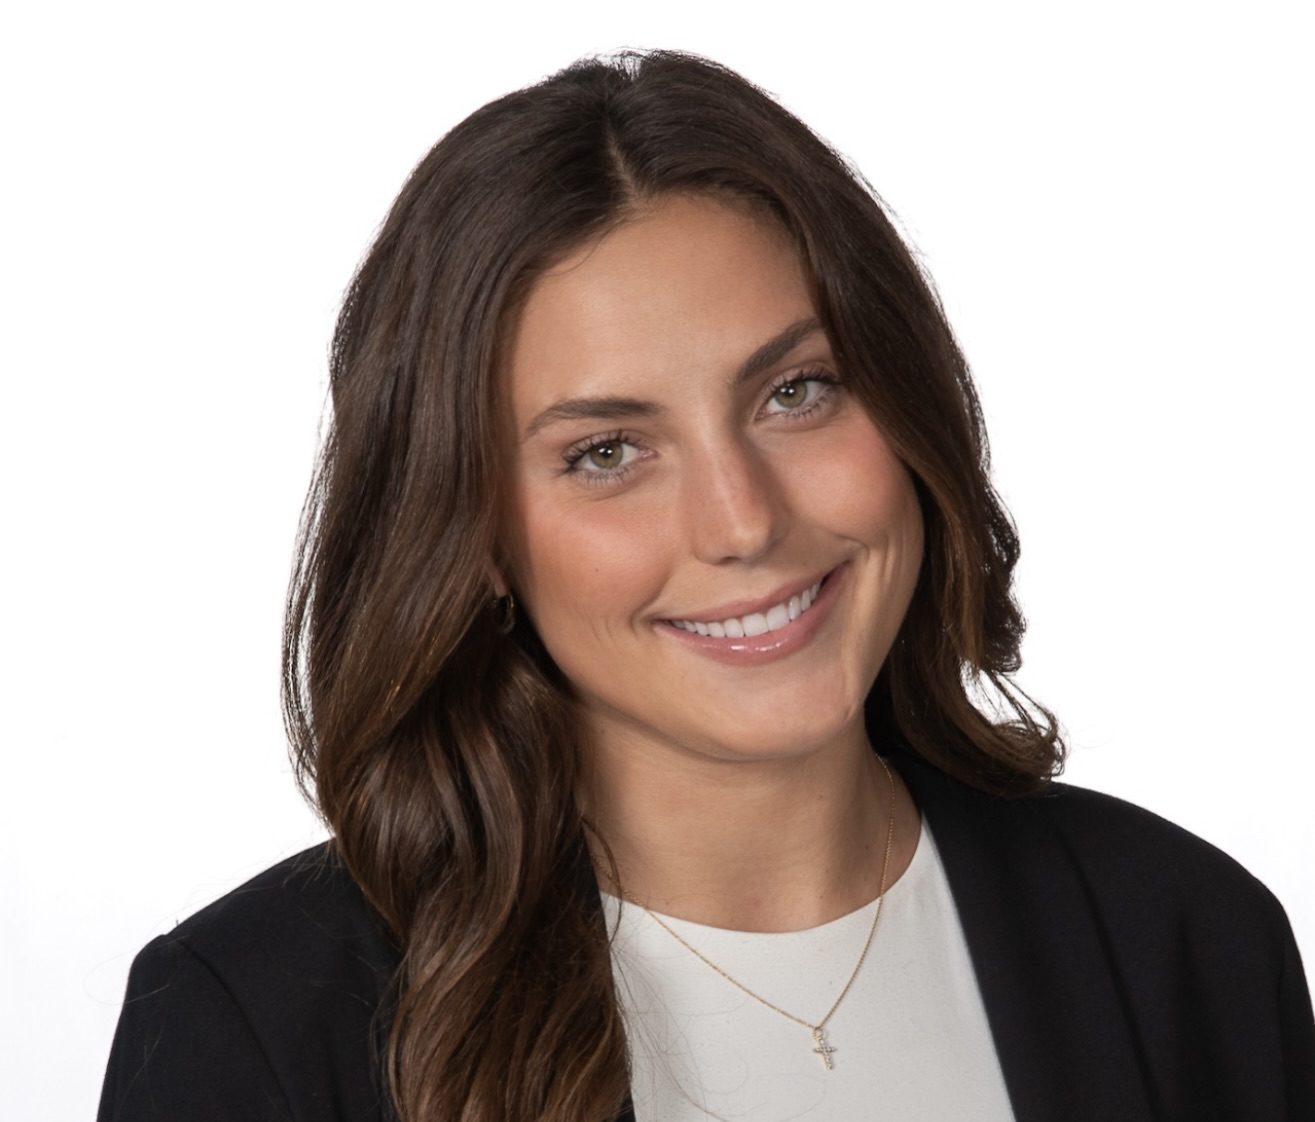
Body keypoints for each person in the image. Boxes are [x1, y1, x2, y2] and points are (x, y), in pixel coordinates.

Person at [97, 49, 1315, 1122]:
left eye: (797, 391)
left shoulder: (1187, 941)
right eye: (606, 453)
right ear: (470, 535)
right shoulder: (254, 1028)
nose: (741, 521)